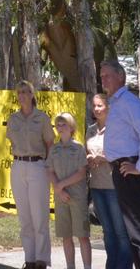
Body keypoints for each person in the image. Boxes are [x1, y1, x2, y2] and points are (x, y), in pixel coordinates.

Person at [99, 60, 140, 269]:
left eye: (107, 75)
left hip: (130, 171)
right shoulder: (116, 103)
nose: (103, 79)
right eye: (101, 76)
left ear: (121, 77)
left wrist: (139, 166)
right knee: (133, 234)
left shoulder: (129, 102)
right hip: (121, 170)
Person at [8, 80, 55, 269]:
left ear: (32, 94)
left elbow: (50, 144)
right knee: (24, 217)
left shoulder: (42, 118)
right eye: (20, 92)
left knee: (39, 216)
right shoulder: (13, 119)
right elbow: (11, 141)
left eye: (26, 91)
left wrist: (48, 167)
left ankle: (42, 259)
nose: (23, 95)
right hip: (18, 166)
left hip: (37, 166)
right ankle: (29, 259)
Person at [86, 93, 132, 269]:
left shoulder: (117, 128)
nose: (96, 109)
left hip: (114, 186)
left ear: (108, 107)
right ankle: (111, 265)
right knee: (108, 231)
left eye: (100, 105)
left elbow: (122, 153)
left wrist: (104, 158)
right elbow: (87, 151)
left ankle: (124, 266)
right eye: (95, 106)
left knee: (121, 232)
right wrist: (90, 156)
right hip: (96, 186)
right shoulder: (90, 130)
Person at [48, 112, 91, 269]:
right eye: (58, 125)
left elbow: (81, 173)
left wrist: (60, 185)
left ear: (71, 127)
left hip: (77, 197)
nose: (60, 128)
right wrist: (59, 190)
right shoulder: (53, 149)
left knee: (82, 236)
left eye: (63, 124)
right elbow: (50, 171)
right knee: (66, 236)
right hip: (61, 198)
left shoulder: (79, 147)